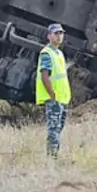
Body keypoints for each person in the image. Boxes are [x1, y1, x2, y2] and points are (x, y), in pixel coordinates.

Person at [36, 23, 70, 159]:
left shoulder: (59, 53)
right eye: (56, 33)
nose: (59, 36)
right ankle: (52, 157)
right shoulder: (47, 53)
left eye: (61, 33)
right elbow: (45, 75)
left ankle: (54, 154)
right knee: (53, 128)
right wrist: (52, 94)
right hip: (54, 98)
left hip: (62, 97)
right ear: (49, 36)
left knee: (59, 127)